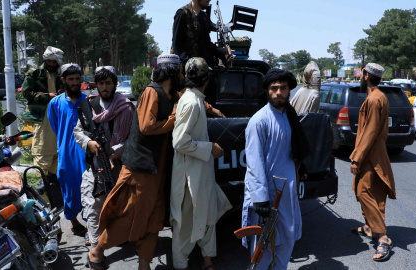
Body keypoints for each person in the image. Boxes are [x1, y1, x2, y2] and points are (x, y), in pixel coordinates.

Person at [88, 54, 184, 270]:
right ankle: (98, 250)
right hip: (140, 168)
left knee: (154, 215)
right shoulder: (152, 91)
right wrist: (174, 118)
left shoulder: (173, 94)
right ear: (171, 71)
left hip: (158, 167)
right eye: (179, 70)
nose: (182, 75)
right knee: (131, 214)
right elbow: (147, 127)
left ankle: (144, 262)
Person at [242, 69, 310, 270]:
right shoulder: (259, 120)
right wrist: (261, 198)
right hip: (268, 196)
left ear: (289, 91)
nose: (278, 92)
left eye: (283, 88)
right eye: (274, 88)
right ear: (267, 91)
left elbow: (293, 148)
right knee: (263, 248)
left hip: (287, 193)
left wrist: (301, 165)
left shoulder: (289, 116)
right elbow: (254, 164)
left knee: (287, 241)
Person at [170, 57, 232, 270]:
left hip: (200, 172)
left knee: (208, 214)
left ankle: (207, 259)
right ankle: (180, 265)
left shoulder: (193, 99)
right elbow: (179, 141)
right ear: (207, 79)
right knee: (186, 221)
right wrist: (210, 148)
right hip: (190, 176)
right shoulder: (192, 102)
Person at [74, 66, 134, 247]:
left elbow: (133, 137)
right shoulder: (89, 106)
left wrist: (117, 153)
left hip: (120, 165)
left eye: (108, 83)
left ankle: (118, 237)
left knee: (120, 206)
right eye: (101, 84)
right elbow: (78, 131)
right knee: (92, 206)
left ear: (115, 84)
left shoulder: (126, 107)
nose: (105, 87)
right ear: (97, 86)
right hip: (95, 164)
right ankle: (95, 250)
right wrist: (88, 143)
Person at [349, 63, 396, 261]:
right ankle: (369, 226)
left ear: (366, 76)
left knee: (362, 191)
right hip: (372, 153)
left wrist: (357, 158)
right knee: (371, 190)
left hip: (370, 154)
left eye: (362, 74)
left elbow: (370, 132)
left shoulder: (375, 99)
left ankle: (383, 237)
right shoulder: (377, 96)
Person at [47, 63, 88, 237]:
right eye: (71, 79)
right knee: (69, 189)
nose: (75, 83)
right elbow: (56, 127)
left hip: (85, 153)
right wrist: (66, 144)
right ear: (63, 80)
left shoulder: (87, 101)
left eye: (77, 79)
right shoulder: (55, 103)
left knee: (88, 189)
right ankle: (73, 222)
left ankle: (91, 226)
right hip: (66, 154)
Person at [21, 46, 63, 194]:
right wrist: (47, 96)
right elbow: (25, 93)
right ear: (46, 60)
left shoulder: (59, 75)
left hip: (57, 115)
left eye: (54, 62)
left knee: (57, 156)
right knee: (42, 150)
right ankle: (41, 192)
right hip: (41, 116)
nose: (52, 64)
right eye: (50, 61)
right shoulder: (34, 73)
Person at [171, 0, 231, 105]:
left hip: (205, 72)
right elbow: (177, 46)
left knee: (209, 105)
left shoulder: (203, 16)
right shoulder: (183, 14)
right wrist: (190, 64)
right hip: (190, 74)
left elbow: (207, 44)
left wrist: (223, 52)